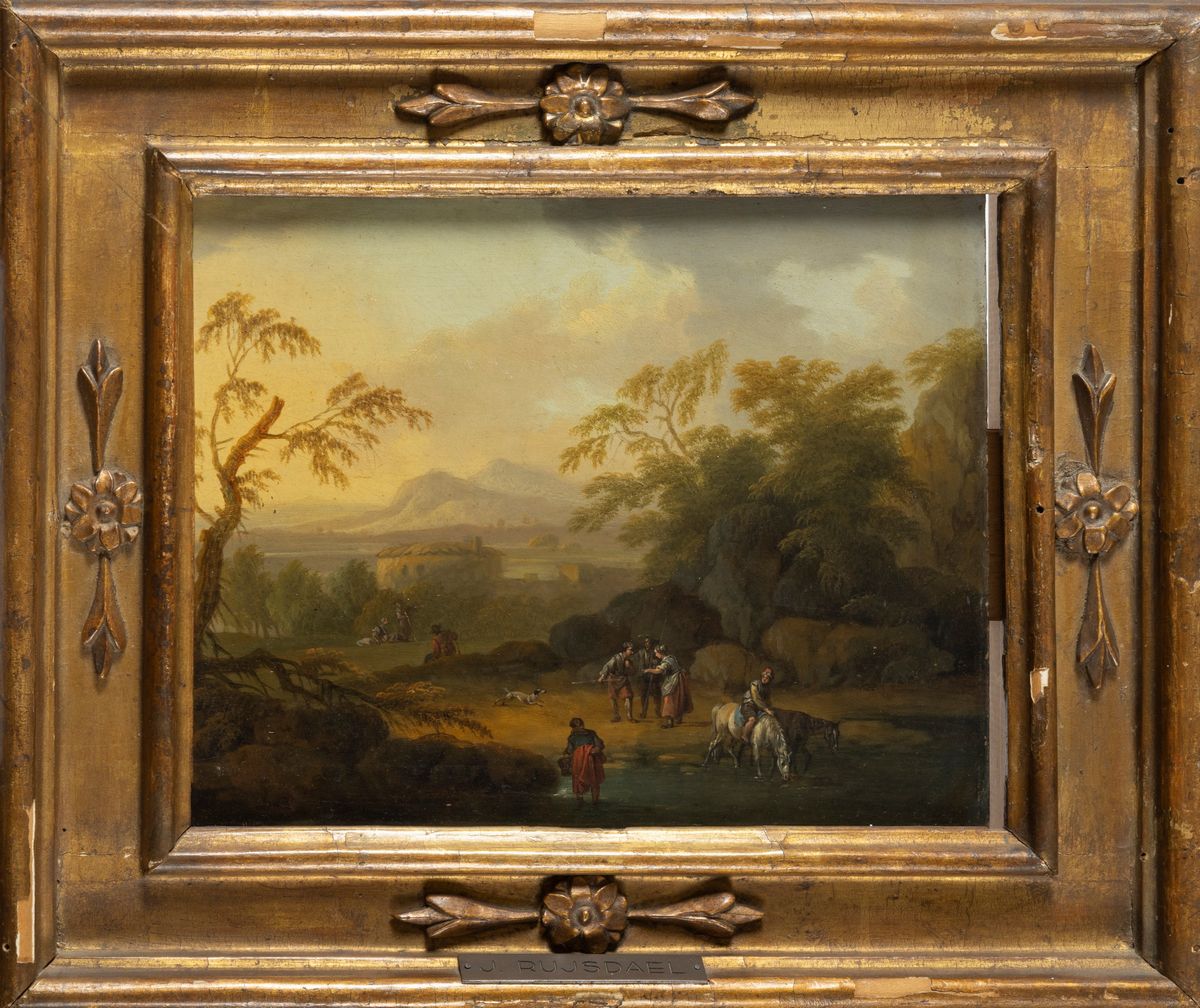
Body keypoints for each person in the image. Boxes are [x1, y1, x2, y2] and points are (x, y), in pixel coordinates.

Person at [646, 644, 693, 728]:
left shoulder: (666, 661)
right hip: (680, 680)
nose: (655, 654)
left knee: (669, 699)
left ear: (660, 653)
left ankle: (669, 722)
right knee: (678, 698)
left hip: (673, 681)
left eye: (656, 653)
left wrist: (648, 670)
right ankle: (678, 718)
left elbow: (659, 671)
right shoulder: (671, 658)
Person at [564, 717, 605, 805]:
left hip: (592, 760)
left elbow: (599, 744)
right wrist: (570, 754)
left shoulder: (591, 733)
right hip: (579, 760)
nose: (580, 727)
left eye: (580, 724)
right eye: (577, 726)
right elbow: (570, 750)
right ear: (574, 727)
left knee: (594, 780)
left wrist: (595, 749)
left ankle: (595, 801)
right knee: (579, 779)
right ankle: (580, 800)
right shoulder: (572, 737)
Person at [598, 642, 637, 723]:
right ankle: (616, 716)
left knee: (628, 697)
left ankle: (629, 717)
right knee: (613, 698)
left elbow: (633, 672)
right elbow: (607, 666)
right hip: (613, 680)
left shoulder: (629, 660)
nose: (632, 652)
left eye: (632, 650)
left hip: (623, 680)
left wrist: (629, 667)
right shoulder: (616, 658)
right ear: (625, 650)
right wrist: (602, 677)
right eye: (630, 650)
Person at [741, 666, 776, 738]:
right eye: (764, 676)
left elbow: (768, 701)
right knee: (752, 720)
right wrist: (766, 709)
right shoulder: (754, 684)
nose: (765, 678)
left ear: (770, 679)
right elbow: (756, 698)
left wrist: (770, 709)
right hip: (749, 705)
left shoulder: (768, 689)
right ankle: (744, 736)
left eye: (767, 678)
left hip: (758, 707)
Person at [633, 635, 661, 720]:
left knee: (657, 695)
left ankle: (657, 712)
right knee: (643, 696)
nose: (647, 643)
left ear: (651, 643)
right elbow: (634, 660)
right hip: (644, 677)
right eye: (645, 642)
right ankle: (644, 712)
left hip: (654, 677)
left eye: (648, 642)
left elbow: (661, 660)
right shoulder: (641, 652)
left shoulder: (655, 652)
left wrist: (656, 662)